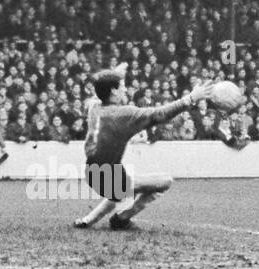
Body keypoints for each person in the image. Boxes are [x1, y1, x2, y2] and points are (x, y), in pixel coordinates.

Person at [72, 64, 213, 230]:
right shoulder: (123, 115)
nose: (126, 90)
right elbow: (160, 114)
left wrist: (114, 74)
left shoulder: (94, 107)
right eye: (123, 87)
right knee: (164, 182)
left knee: (122, 188)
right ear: (114, 91)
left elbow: (100, 90)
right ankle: (121, 219)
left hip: (94, 173)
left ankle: (88, 220)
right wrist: (191, 98)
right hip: (108, 178)